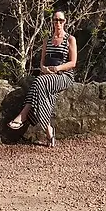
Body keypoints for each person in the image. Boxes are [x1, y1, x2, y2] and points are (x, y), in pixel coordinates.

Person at [7, 11, 77, 147]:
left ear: (65, 22)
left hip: (63, 76)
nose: (58, 23)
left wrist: (57, 69)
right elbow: (42, 62)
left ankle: (23, 115)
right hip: (47, 76)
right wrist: (44, 69)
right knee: (40, 88)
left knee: (38, 82)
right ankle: (49, 130)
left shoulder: (70, 39)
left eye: (61, 20)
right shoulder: (47, 41)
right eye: (56, 20)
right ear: (52, 22)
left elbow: (73, 63)